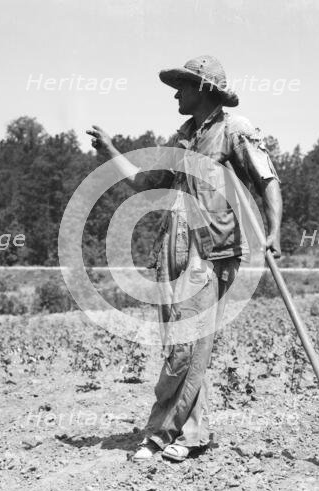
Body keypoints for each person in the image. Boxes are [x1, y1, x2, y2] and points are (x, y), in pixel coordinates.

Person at [86, 55, 282, 461]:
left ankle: (159, 433)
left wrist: (275, 229)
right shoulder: (182, 138)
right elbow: (144, 181)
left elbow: (266, 180)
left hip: (210, 253)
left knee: (187, 347)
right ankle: (191, 435)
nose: (176, 92)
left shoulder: (234, 131)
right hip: (172, 251)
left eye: (183, 85)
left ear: (206, 90)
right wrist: (109, 149)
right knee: (186, 345)